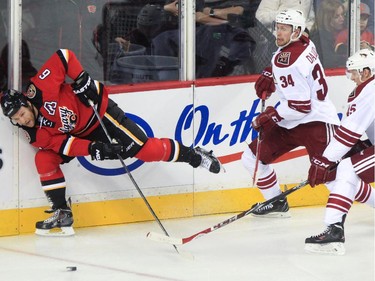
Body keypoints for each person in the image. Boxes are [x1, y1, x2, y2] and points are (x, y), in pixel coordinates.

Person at [0, 49, 223, 236]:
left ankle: (195, 156)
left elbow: (63, 56)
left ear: (26, 103)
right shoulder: (34, 134)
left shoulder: (40, 88)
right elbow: (65, 145)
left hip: (99, 113)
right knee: (44, 159)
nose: (22, 120)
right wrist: (95, 149)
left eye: (21, 113)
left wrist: (80, 78)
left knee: (144, 150)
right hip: (81, 135)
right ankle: (62, 212)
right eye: (16, 119)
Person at [241, 9, 340, 217]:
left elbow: (301, 105)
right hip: (294, 122)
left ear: (295, 31)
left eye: (284, 29)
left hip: (317, 123)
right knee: (252, 157)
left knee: (333, 178)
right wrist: (270, 70)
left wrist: (270, 116)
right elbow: (286, 57)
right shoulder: (304, 40)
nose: (278, 33)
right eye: (278, 27)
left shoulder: (288, 61)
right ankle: (276, 202)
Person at [305, 48, 375, 255]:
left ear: (365, 72)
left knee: (346, 168)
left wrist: (325, 160)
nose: (352, 77)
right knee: (346, 168)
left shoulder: (370, 90)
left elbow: (349, 132)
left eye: (354, 72)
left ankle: (334, 230)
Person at [152, 0, 255, 78]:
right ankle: (165, 78)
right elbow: (172, 7)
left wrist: (209, 13)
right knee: (161, 39)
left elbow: (239, 12)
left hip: (222, 32)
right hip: (189, 29)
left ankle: (206, 79)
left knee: (212, 34)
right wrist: (167, 8)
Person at [310, 0, 347, 68]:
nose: (342, 19)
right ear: (326, 19)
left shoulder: (344, 30)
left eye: (343, 14)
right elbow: (328, 60)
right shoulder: (318, 37)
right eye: (336, 16)